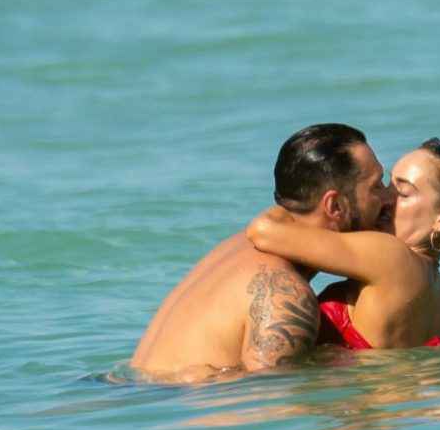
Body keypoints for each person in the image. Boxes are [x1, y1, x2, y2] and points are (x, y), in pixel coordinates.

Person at [130, 123, 391, 382]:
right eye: (377, 186)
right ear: (335, 206)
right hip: (169, 400)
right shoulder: (283, 293)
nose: (389, 197)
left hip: (136, 390)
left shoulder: (238, 245)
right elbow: (266, 398)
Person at [246, 130, 440, 350]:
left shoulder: (391, 256)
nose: (385, 198)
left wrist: (300, 197)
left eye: (403, 192)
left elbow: (263, 231)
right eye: (386, 184)